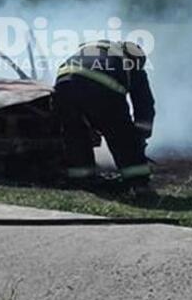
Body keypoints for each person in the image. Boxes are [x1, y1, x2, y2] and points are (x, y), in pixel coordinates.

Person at [53, 40, 156, 193]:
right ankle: (138, 184)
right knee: (122, 135)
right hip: (100, 87)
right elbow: (144, 103)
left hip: (63, 83)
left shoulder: (95, 47)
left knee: (75, 133)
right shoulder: (132, 64)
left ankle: (81, 179)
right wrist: (139, 136)